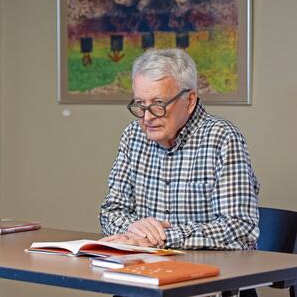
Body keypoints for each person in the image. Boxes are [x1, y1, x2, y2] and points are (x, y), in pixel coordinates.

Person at [99, 48, 260, 251]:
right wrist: (133, 228)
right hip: (142, 269)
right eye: (140, 104)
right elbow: (111, 211)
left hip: (211, 275)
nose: (147, 117)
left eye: (159, 104)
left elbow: (240, 229)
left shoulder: (222, 137)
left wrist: (162, 238)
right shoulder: (133, 135)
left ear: (190, 100)